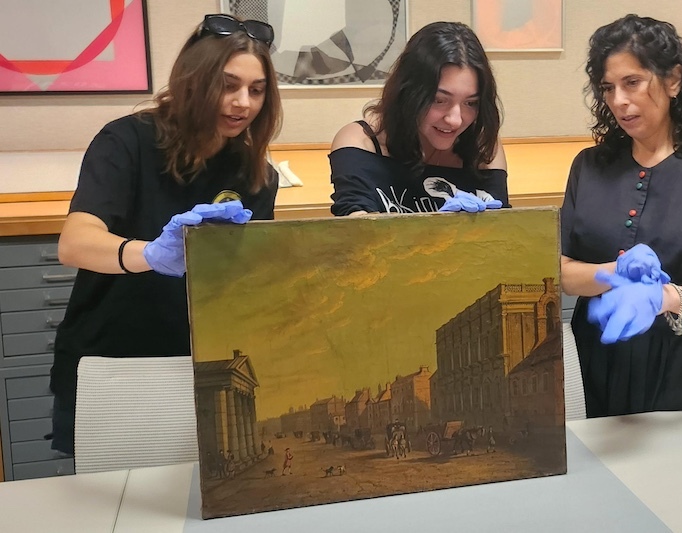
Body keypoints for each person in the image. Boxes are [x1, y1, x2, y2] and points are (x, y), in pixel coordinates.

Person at [48, 13, 282, 455]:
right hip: (113, 362)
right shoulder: (127, 142)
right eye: (228, 85)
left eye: (256, 90)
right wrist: (149, 255)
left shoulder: (256, 176)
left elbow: (245, 279)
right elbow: (74, 242)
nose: (242, 104)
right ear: (194, 80)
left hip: (198, 370)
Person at [560, 14, 682, 418]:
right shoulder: (589, 166)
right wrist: (615, 273)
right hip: (601, 364)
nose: (618, 100)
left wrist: (664, 297)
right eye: (607, 88)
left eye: (632, 82)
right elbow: (563, 271)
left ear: (673, 81)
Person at [329, 21, 509, 216]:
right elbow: (354, 228)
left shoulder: (481, 146)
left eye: (470, 103)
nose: (455, 120)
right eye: (439, 100)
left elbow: (501, 230)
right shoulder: (362, 142)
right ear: (409, 92)